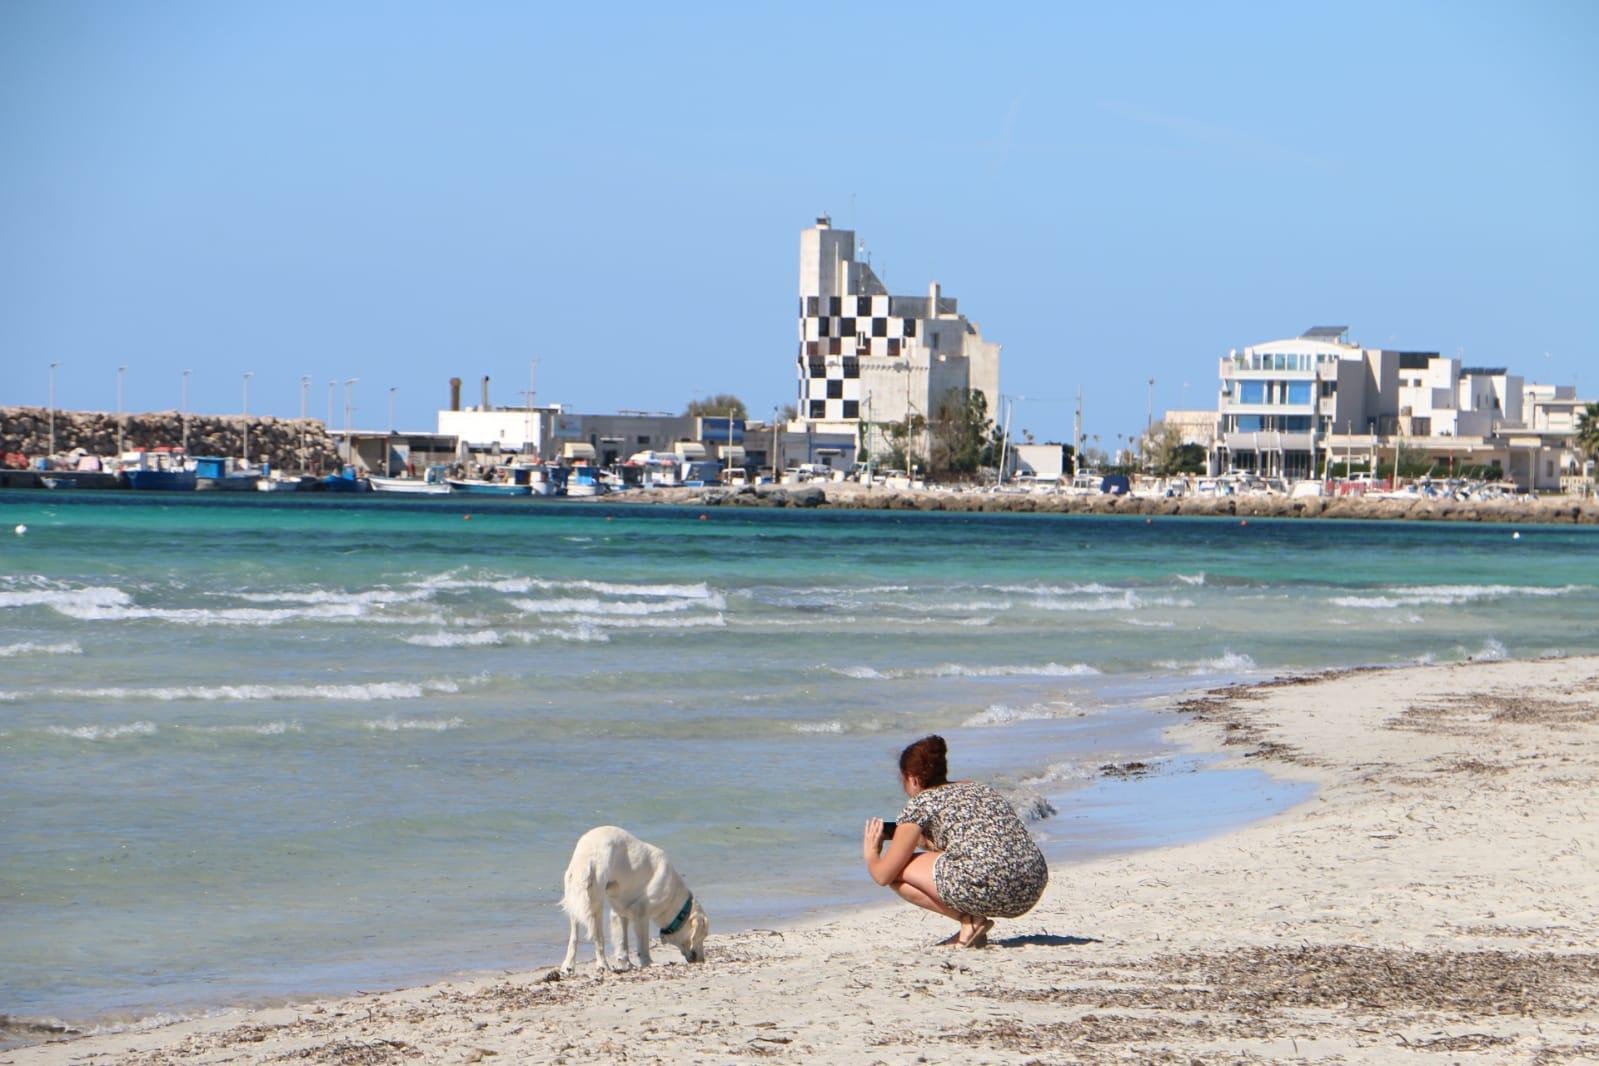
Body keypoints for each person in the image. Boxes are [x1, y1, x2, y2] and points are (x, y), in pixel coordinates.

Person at [862, 734, 1048, 948]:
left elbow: (883, 875)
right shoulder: (978, 788)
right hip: (1032, 883)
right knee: (954, 861)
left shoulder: (921, 803)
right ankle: (970, 925)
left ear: (912, 779)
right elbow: (968, 842)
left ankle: (967, 919)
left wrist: (871, 852)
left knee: (896, 872)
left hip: (994, 884)